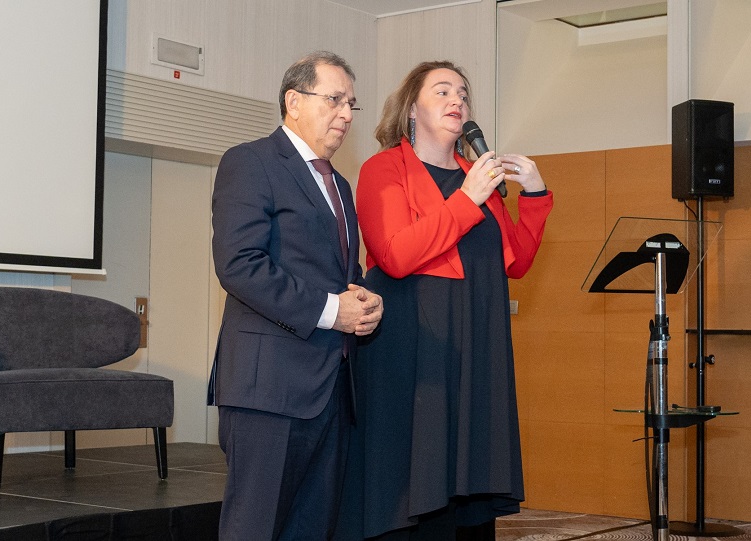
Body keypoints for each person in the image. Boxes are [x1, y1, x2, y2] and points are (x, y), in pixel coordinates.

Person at [336, 61, 553, 540]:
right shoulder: (383, 169)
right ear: (412, 108)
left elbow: (514, 261)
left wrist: (534, 193)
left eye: (463, 93)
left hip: (474, 342)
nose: (457, 100)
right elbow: (395, 254)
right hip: (412, 345)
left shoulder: (478, 177)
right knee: (414, 473)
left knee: (468, 480)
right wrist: (467, 200)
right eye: (442, 91)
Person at [208, 51, 384, 541]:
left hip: (332, 388)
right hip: (270, 390)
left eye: (351, 103)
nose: (347, 114)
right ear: (293, 101)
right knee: (255, 529)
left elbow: (340, 272)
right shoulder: (250, 161)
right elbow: (239, 265)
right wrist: (333, 312)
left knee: (313, 529)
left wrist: (367, 299)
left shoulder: (340, 185)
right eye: (334, 100)